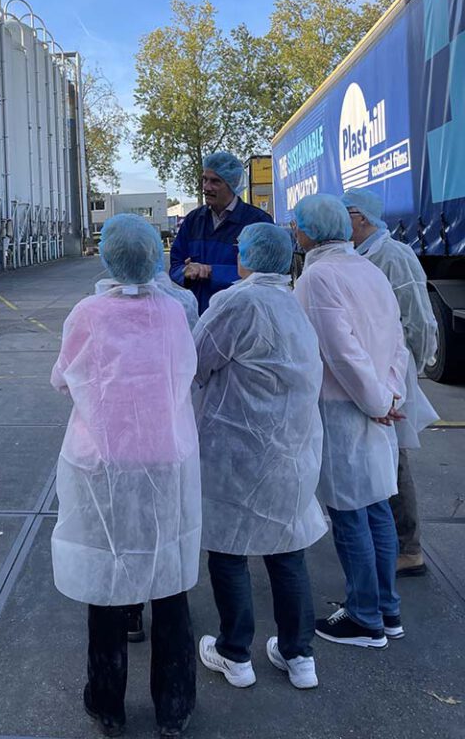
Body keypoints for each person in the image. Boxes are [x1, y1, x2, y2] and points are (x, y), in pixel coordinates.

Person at [51, 213, 201, 738]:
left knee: (108, 579)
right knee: (168, 578)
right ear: (156, 257)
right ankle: (174, 707)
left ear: (107, 256)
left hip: (105, 462)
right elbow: (186, 374)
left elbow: (63, 379)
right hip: (165, 456)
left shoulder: (88, 313)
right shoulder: (175, 311)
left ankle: (108, 704)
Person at [193, 223, 326, 691]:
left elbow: (197, 358)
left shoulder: (237, 302)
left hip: (236, 450)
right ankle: (299, 655)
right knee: (286, 551)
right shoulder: (294, 303)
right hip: (290, 450)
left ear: (248, 254)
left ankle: (235, 654)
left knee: (229, 551)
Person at [293, 194, 409, 648]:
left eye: (297, 225)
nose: (294, 233)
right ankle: (386, 608)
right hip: (378, 402)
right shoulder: (369, 268)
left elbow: (340, 351)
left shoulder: (319, 276)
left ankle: (364, 617)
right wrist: (390, 393)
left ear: (309, 231)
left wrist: (376, 401)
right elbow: (395, 339)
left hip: (347, 409)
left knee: (349, 514)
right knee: (377, 506)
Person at [341, 189, 439, 578]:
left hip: (392, 374)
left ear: (362, 217)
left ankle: (408, 547)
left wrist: (407, 372)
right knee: (378, 457)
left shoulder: (392, 255)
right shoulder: (362, 256)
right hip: (376, 372)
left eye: (345, 214)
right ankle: (389, 541)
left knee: (393, 459)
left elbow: (418, 317)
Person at [169, 152, 273, 316]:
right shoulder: (193, 220)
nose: (206, 187)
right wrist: (186, 272)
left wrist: (212, 272)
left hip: (242, 318)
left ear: (232, 184)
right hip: (200, 318)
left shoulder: (257, 222)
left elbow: (266, 275)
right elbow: (176, 264)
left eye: (215, 181)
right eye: (204, 179)